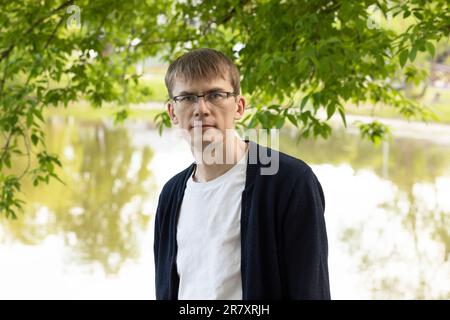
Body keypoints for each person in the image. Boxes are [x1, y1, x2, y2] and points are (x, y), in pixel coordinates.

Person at [154, 48, 330, 300]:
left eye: (215, 95)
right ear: (173, 112)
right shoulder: (171, 194)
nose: (201, 108)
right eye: (187, 97)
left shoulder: (288, 181)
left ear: (239, 107)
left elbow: (311, 291)